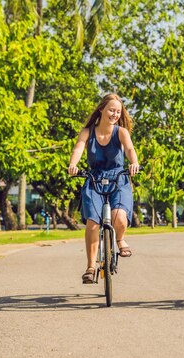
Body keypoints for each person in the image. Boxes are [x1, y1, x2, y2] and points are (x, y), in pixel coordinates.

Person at [68, 93, 140, 284]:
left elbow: (130, 149)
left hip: (118, 178)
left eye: (118, 111)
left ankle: (120, 240)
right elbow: (78, 148)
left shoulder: (121, 132)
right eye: (111, 110)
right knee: (93, 223)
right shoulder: (87, 132)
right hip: (94, 178)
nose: (115, 114)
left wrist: (134, 163)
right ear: (102, 109)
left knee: (119, 216)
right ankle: (91, 267)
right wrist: (73, 165)